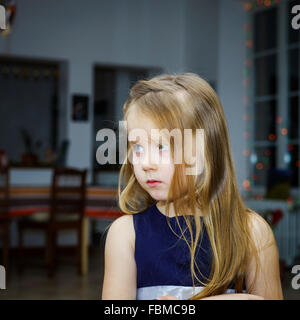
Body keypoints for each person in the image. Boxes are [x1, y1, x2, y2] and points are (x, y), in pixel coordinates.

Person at [101, 73, 283, 300]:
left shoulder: (254, 233)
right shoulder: (126, 235)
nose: (146, 163)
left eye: (161, 146)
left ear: (205, 151)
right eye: (137, 147)